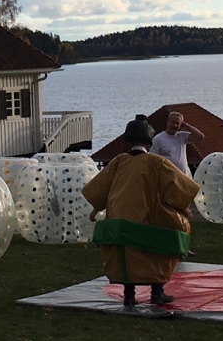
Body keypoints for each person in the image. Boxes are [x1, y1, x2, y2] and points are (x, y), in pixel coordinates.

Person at [83, 115, 201, 308]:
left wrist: (96, 208)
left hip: (120, 215)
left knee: (127, 255)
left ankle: (129, 296)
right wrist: (184, 209)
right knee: (159, 249)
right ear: (149, 141)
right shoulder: (157, 162)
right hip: (148, 214)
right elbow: (174, 188)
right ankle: (157, 293)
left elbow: (102, 187)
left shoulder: (119, 160)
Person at [149, 110, 203, 178]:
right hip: (168, 178)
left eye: (177, 123)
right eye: (173, 122)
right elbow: (152, 159)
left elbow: (200, 136)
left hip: (184, 177)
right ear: (168, 122)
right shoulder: (158, 139)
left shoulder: (182, 136)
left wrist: (186, 125)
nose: (175, 125)